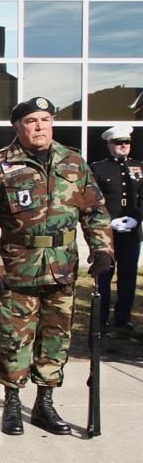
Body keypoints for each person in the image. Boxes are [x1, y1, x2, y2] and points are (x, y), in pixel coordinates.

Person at [0, 96, 113, 436]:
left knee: (56, 339)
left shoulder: (74, 162)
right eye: (32, 121)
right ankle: (13, 403)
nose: (39, 127)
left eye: (45, 120)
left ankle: (44, 404)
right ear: (17, 126)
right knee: (14, 340)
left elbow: (95, 211)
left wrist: (102, 249)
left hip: (63, 268)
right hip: (17, 269)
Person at [90, 125, 143, 331]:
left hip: (131, 232)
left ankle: (124, 316)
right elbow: (93, 199)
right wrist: (108, 221)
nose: (124, 146)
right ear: (109, 144)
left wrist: (137, 218)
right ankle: (101, 317)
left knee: (128, 275)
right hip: (107, 232)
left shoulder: (139, 167)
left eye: (127, 142)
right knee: (104, 274)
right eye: (119, 142)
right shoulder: (98, 168)